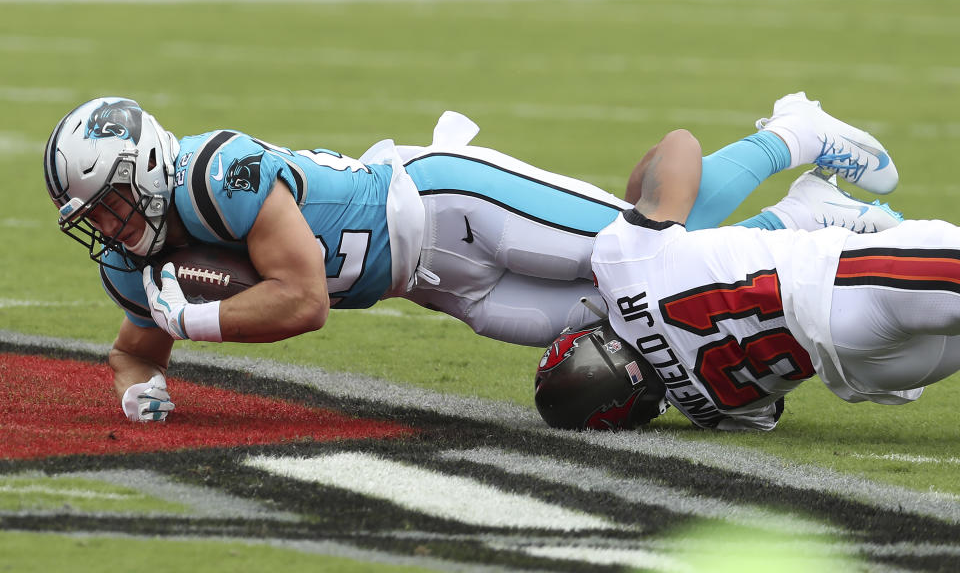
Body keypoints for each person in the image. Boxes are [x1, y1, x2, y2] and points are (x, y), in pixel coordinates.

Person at [43, 93, 899, 421]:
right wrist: (142, 390)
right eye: (94, 215)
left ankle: (795, 137)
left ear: (149, 166)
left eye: (114, 200)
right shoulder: (130, 258)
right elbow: (131, 350)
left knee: (650, 253)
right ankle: (801, 222)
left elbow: (300, 300)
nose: (111, 226)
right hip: (435, 285)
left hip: (453, 202)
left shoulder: (215, 172)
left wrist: (196, 318)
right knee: (646, 319)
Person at [534, 131, 960, 433]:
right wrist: (627, 214)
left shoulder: (712, 416)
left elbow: (767, 408)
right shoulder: (622, 265)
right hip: (847, 283)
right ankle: (799, 151)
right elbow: (682, 144)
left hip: (871, 369)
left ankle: (804, 213)